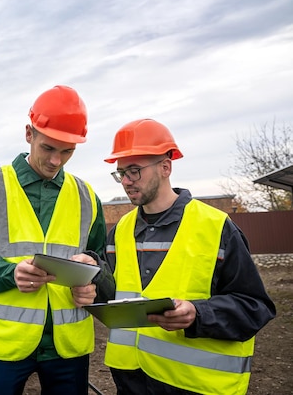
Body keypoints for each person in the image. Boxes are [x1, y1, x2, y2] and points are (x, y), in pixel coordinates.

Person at [0, 85, 114, 395]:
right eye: (48, 147)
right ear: (29, 134)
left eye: (67, 151)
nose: (56, 160)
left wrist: (93, 274)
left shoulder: (87, 197)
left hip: (68, 347)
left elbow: (104, 264)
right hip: (4, 344)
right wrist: (9, 273)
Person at [102, 118, 276, 395]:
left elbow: (255, 307)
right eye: (120, 173)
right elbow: (114, 295)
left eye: (134, 171)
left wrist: (198, 314)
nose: (125, 181)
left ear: (166, 166)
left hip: (195, 386)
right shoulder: (120, 231)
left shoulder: (215, 227)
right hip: (132, 382)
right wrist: (89, 274)